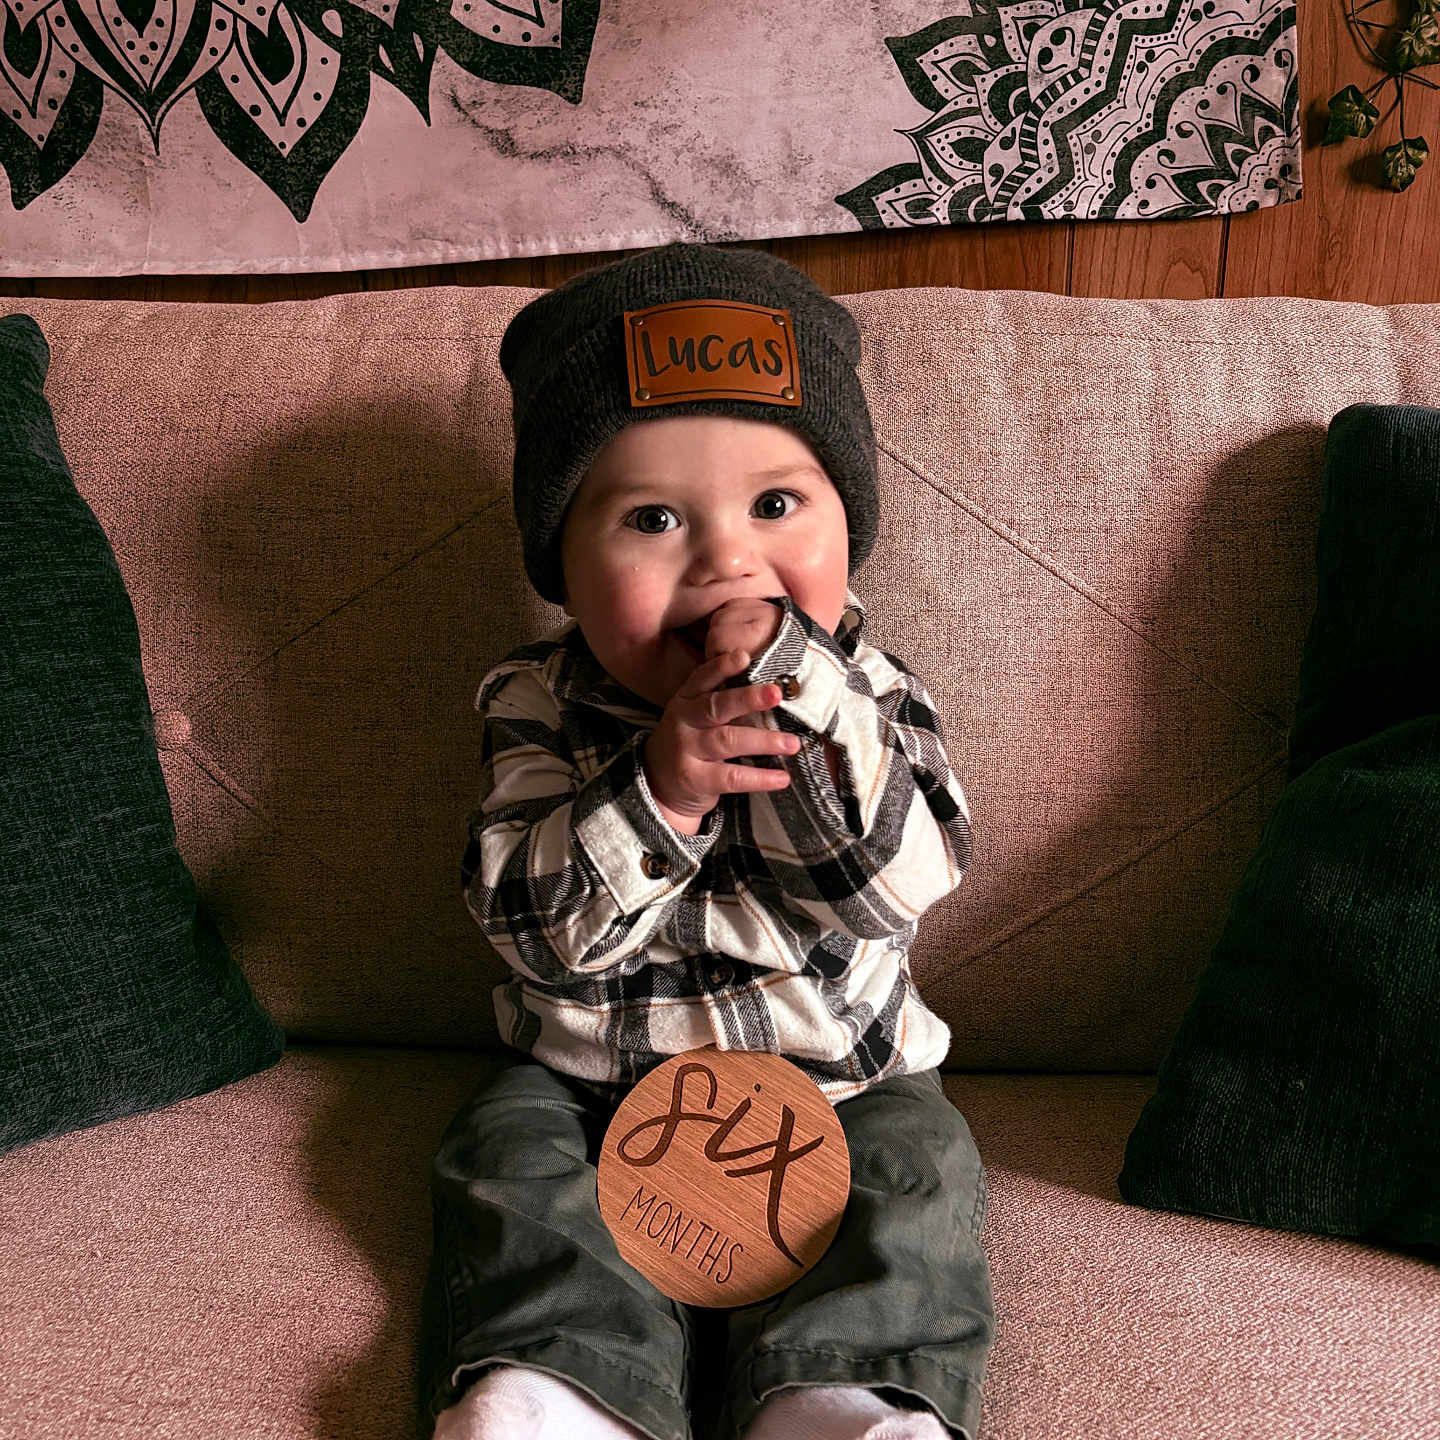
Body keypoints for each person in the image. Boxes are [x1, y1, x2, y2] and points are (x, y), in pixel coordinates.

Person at [416, 242, 995, 1440]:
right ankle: (565, 1387)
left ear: (849, 524)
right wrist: (663, 790)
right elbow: (538, 937)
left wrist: (805, 710)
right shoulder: (536, 703)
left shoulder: (874, 692)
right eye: (653, 517)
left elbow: (897, 889)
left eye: (776, 505)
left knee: (920, 1177)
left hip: (846, 1083)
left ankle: (844, 1398)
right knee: (503, 1164)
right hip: (587, 1087)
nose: (727, 560)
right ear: (563, 569)